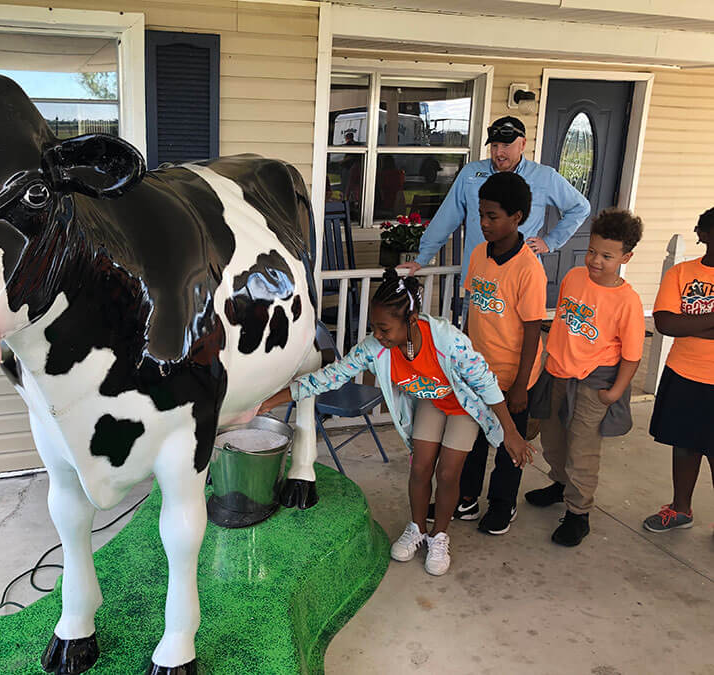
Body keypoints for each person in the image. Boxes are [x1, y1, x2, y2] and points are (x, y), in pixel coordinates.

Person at [259, 269, 535, 576]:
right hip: (432, 404)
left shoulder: (448, 341)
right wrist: (274, 399)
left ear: (411, 321)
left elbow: (486, 384)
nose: (377, 335)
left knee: (447, 473)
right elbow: (331, 376)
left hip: (463, 408)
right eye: (374, 327)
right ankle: (417, 527)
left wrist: (510, 431)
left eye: (384, 328)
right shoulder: (376, 347)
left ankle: (439, 535)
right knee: (420, 467)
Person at [428, 172, 547, 535]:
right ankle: (466, 498)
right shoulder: (479, 253)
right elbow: (471, 311)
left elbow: (531, 331)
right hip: (476, 369)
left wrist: (520, 386)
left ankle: (502, 504)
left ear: (517, 217)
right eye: (480, 215)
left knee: (510, 444)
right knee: (473, 438)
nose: (483, 223)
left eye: (492, 216)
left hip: (513, 375)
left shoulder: (528, 269)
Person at [526, 209, 645, 547]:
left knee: (583, 449)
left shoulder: (628, 302)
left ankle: (579, 513)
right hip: (557, 373)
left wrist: (615, 392)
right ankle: (559, 484)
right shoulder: (574, 278)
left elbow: (632, 355)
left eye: (607, 256)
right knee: (553, 439)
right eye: (593, 251)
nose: (595, 260)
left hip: (594, 385)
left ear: (626, 257)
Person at [398, 116, 590, 305]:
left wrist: (550, 241)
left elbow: (580, 207)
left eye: (506, 146)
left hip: (519, 283)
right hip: (479, 283)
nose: (499, 152)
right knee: (473, 335)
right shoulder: (471, 173)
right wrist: (421, 258)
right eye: (495, 145)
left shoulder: (544, 176)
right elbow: (446, 217)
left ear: (522, 144)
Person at [642, 208, 714, 534]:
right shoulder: (681, 273)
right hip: (684, 373)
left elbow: (679, 321)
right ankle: (680, 508)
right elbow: (666, 322)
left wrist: (691, 325)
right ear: (702, 234)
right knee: (685, 444)